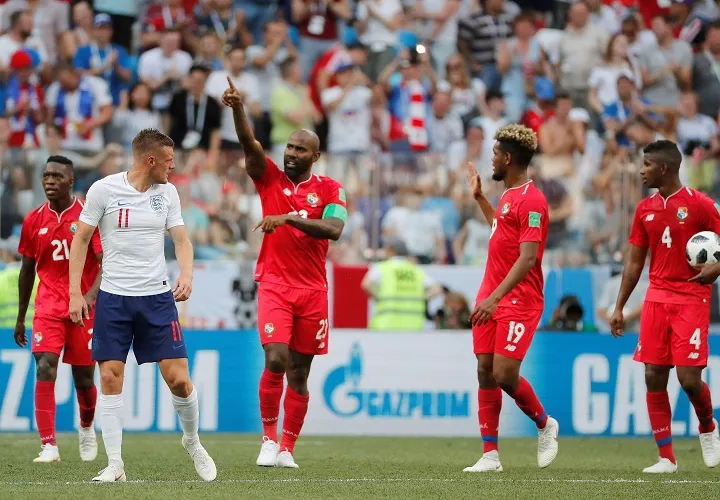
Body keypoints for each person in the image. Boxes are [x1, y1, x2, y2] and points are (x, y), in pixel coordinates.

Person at [67, 129, 217, 483]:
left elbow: (182, 240)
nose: (173, 166)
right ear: (151, 161)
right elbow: (81, 240)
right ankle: (115, 465)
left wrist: (188, 273)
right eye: (168, 160)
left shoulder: (167, 194)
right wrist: (75, 292)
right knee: (108, 377)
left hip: (157, 298)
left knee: (179, 380)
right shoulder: (104, 190)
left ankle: (192, 441)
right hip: (114, 299)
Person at [221, 77, 347, 468]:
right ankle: (267, 439)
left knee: (300, 372)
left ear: (315, 156)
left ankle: (288, 448)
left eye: (300, 149)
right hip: (274, 283)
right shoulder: (269, 177)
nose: (291, 153)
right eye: (289, 146)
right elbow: (248, 144)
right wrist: (239, 109)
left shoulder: (330, 190)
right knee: (276, 359)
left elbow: (335, 230)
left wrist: (289, 217)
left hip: (312, 289)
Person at [610, 139, 720, 473]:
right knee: (653, 375)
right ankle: (666, 458)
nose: (641, 171)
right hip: (656, 298)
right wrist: (619, 307)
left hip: (691, 297)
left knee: (688, 380)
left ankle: (708, 427)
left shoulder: (701, 205)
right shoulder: (645, 210)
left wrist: (717, 266)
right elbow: (633, 265)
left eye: (645, 165)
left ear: (664, 168)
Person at [462, 124, 559, 473]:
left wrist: (495, 299)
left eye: (494, 155)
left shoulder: (533, 200)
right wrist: (479, 198)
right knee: (484, 371)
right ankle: (490, 455)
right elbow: (499, 231)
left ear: (507, 158)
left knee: (504, 373)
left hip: (518, 299)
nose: (490, 160)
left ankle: (545, 423)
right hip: (492, 294)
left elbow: (528, 257)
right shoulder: (506, 197)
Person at [14, 155, 102, 463]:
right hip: (48, 306)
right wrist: (22, 317)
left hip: (83, 310)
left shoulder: (88, 216)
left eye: (57, 176)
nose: (50, 181)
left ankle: (87, 427)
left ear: (71, 181)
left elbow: (105, 263)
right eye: (46, 176)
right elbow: (27, 271)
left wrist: (90, 296)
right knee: (45, 365)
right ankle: (49, 445)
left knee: (84, 380)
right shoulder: (33, 220)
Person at [361, 240, 443, 331]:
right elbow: (437, 289)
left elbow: (366, 284)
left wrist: (380, 297)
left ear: (391, 251)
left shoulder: (383, 268)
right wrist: (420, 297)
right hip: (413, 327)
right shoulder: (415, 270)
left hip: (386, 326)